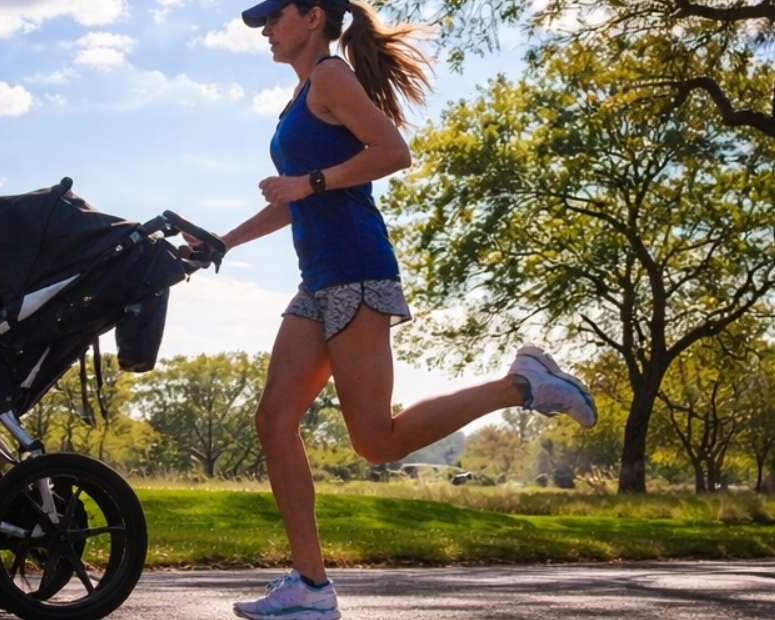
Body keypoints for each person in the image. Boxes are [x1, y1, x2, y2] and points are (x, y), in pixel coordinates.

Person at [206, 1, 600, 619]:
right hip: (318, 278)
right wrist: (222, 243)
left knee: (375, 442)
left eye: (274, 17)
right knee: (273, 420)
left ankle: (521, 384)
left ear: (312, 17)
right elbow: (293, 201)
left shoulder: (331, 77)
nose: (265, 31)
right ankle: (310, 585)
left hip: (357, 269)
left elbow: (392, 151)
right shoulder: (301, 97)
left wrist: (308, 183)